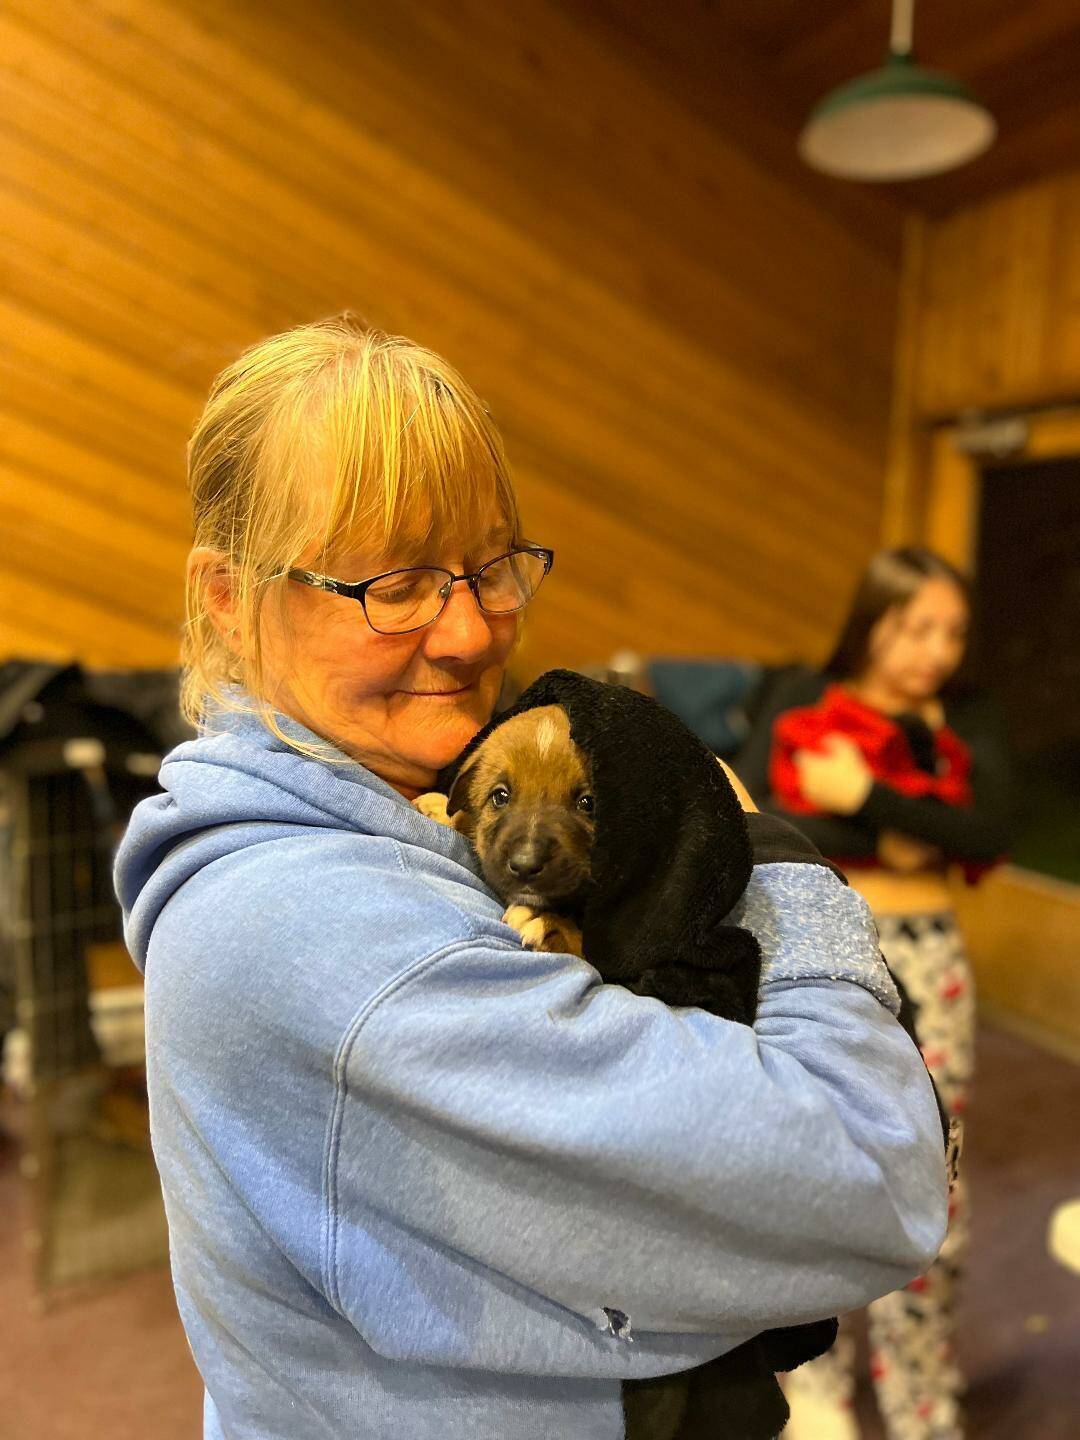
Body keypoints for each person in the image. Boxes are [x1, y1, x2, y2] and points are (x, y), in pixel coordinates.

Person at [113, 317, 948, 1440]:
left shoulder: (353, 812)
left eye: (492, 564)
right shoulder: (336, 939)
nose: (470, 631)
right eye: (395, 583)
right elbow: (874, 1177)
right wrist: (772, 854)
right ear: (225, 596)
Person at [735, 546, 1014, 1440]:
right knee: (806, 1156)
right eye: (917, 626)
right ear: (872, 619)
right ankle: (812, 1385)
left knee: (935, 1166)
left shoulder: (964, 715)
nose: (938, 651)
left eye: (954, 633)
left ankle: (922, 1395)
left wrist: (864, 796)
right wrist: (907, 826)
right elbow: (754, 812)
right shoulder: (798, 694)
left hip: (930, 955)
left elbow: (990, 830)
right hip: (813, 944)